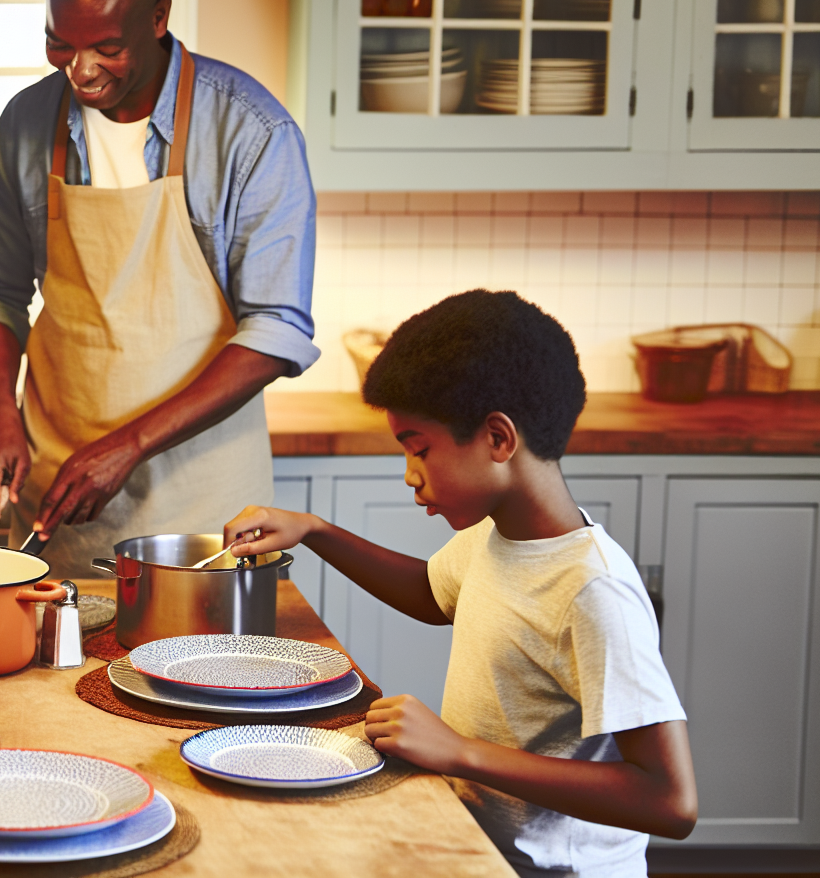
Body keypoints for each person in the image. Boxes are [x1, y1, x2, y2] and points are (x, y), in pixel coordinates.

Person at [221, 290, 698, 878]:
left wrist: (461, 752)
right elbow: (430, 593)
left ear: (498, 439)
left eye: (419, 449)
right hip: (478, 846)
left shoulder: (593, 591)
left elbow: (670, 801)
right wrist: (314, 531)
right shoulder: (496, 534)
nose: (409, 475)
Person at [0, 0, 319, 577]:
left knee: (196, 678)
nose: (82, 70)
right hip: (59, 508)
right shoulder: (23, 126)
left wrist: (127, 445)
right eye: (59, 45)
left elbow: (276, 333)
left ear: (158, 19)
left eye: (105, 47)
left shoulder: (251, 131)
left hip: (204, 520)